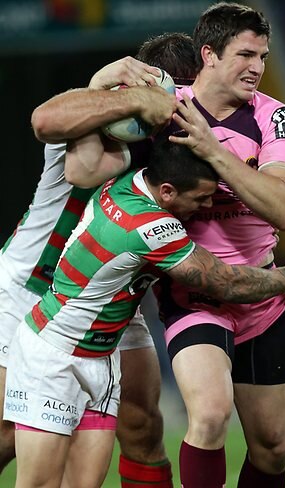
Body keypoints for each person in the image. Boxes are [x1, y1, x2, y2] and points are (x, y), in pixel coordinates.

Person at [29, 9, 285, 484]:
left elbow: (284, 209)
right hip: (194, 295)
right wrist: (103, 83)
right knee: (209, 414)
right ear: (209, 54)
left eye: (262, 56)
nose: (256, 67)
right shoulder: (163, 107)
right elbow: (77, 165)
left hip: (263, 296)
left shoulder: (274, 116)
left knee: (273, 448)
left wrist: (211, 150)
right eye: (245, 54)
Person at [3, 137, 285, 488]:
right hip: (53, 357)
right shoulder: (149, 227)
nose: (207, 205)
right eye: (200, 198)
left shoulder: (126, 184)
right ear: (167, 191)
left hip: (102, 357)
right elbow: (225, 283)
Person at [0, 38, 182, 486]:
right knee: (7, 434)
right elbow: (59, 139)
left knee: (142, 422)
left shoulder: (172, 146)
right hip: (31, 289)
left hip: (108, 298)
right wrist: (107, 87)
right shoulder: (89, 123)